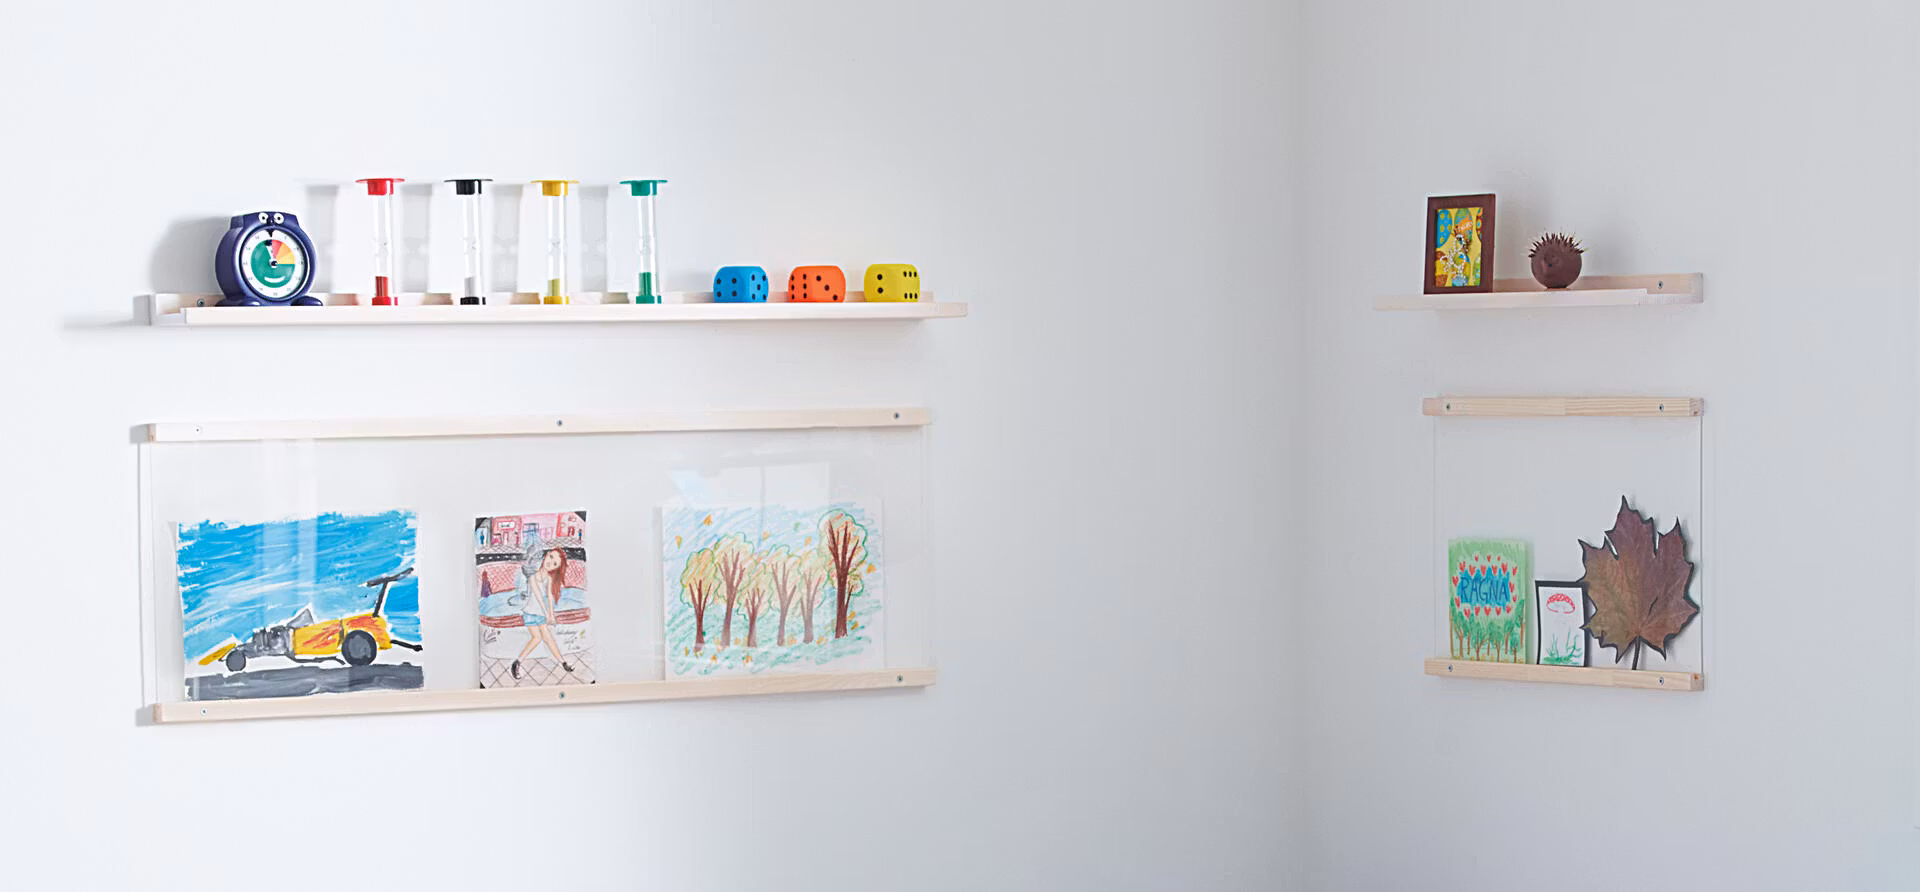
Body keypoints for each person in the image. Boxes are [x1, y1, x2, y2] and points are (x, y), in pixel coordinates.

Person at [511, 545, 574, 678]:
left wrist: (551, 614)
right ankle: (517, 662)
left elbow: (550, 596)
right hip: (530, 613)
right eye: (551, 557)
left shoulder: (549, 579)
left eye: (555, 564)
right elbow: (539, 597)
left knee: (548, 639)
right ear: (547, 555)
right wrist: (547, 614)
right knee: (537, 638)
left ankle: (563, 663)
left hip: (540, 613)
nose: (550, 563)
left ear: (556, 568)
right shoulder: (532, 577)